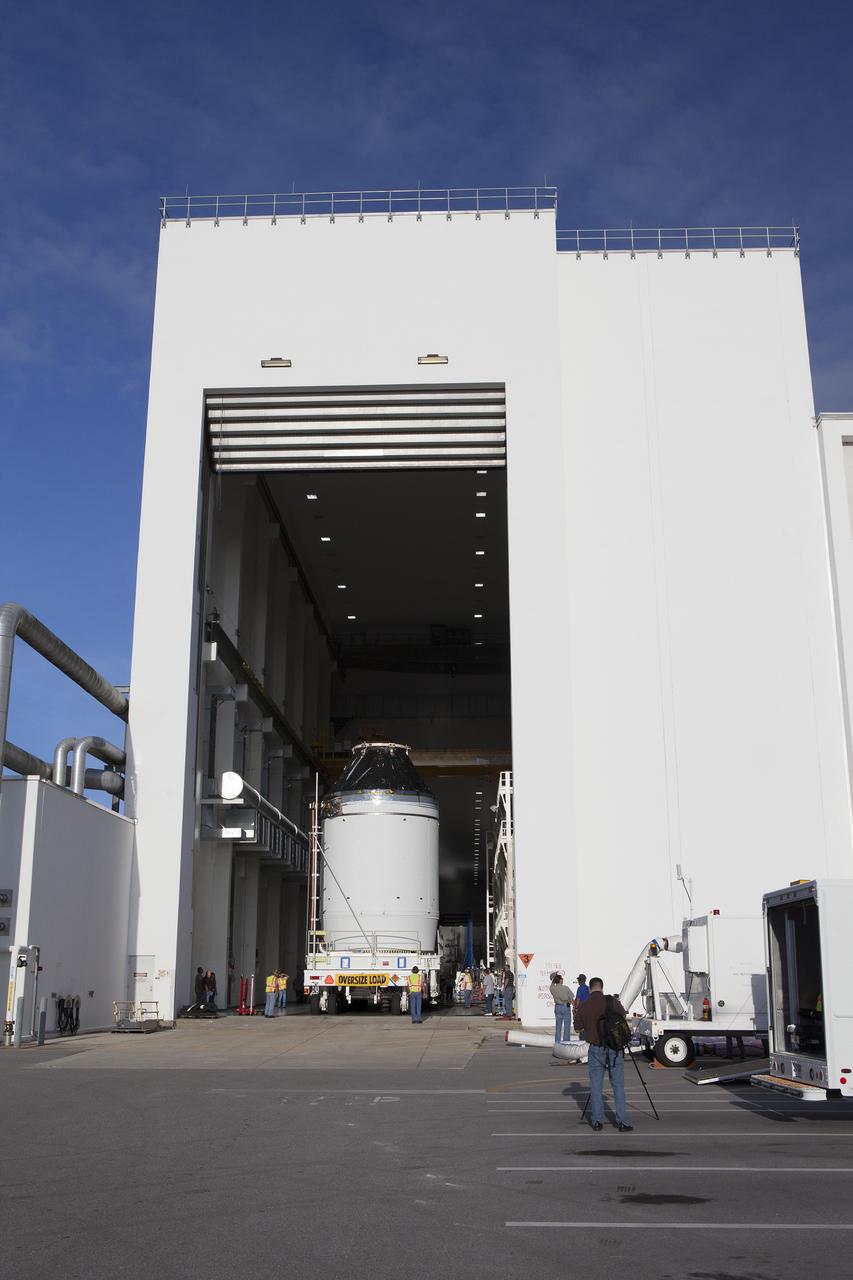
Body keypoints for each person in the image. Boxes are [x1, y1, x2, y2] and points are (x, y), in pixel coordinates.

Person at [573, 976, 633, 1131]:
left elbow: (578, 1028)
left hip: (595, 1049)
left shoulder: (585, 1006)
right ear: (602, 987)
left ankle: (597, 1121)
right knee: (618, 1086)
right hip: (614, 1047)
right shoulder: (612, 1001)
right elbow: (623, 1015)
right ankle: (622, 1122)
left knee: (596, 1087)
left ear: (590, 988)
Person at [549, 972, 574, 1044]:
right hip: (565, 1006)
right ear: (560, 980)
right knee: (566, 1026)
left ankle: (557, 1042)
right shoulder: (566, 988)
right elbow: (572, 999)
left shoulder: (553, 988)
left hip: (557, 1007)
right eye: (562, 979)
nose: (563, 980)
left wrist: (554, 977)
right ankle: (566, 1043)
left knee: (558, 1026)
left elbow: (552, 984)